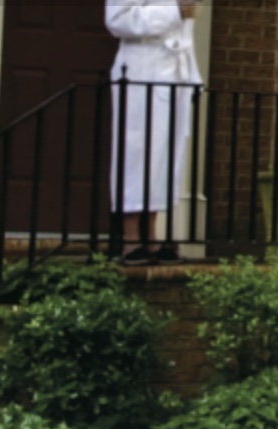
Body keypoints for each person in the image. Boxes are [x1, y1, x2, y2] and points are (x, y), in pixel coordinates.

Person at [108, 0, 202, 265]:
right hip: (140, 71)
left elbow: (183, 35)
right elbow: (118, 19)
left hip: (173, 75)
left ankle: (151, 237)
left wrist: (193, 78)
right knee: (136, 153)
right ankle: (130, 239)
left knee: (164, 156)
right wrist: (174, 11)